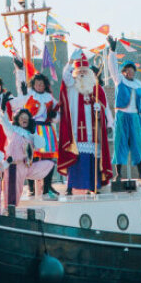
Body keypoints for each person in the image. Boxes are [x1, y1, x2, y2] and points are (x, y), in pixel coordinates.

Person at [57, 51, 114, 194]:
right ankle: (70, 187)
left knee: (93, 158)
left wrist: (100, 109)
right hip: (75, 129)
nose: (82, 73)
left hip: (92, 129)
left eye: (84, 71)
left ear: (89, 72)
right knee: (74, 156)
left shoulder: (96, 87)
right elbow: (65, 76)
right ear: (75, 72)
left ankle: (93, 186)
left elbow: (105, 106)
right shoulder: (72, 85)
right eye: (79, 71)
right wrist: (70, 61)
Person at [105, 36, 141, 181]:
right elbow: (112, 67)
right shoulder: (119, 80)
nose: (129, 72)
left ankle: (140, 175)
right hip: (122, 115)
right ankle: (118, 174)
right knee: (120, 143)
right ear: (124, 71)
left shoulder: (139, 85)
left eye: (131, 70)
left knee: (138, 145)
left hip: (135, 117)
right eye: (127, 70)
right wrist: (112, 50)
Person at [12, 58, 59, 198]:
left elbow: (58, 116)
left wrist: (54, 115)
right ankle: (31, 187)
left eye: (42, 84)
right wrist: (20, 70)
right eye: (37, 83)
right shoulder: (28, 94)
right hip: (32, 130)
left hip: (47, 130)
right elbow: (20, 87)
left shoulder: (50, 98)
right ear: (33, 84)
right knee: (31, 158)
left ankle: (47, 186)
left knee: (49, 159)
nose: (40, 86)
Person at [1, 109, 56, 206]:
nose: (24, 119)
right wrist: (3, 110)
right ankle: (9, 208)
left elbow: (41, 144)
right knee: (13, 190)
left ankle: (46, 190)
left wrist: (34, 133)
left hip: (25, 166)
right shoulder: (12, 131)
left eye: (26, 118)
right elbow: (4, 121)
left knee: (50, 164)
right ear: (18, 120)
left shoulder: (30, 134)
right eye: (22, 118)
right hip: (13, 166)